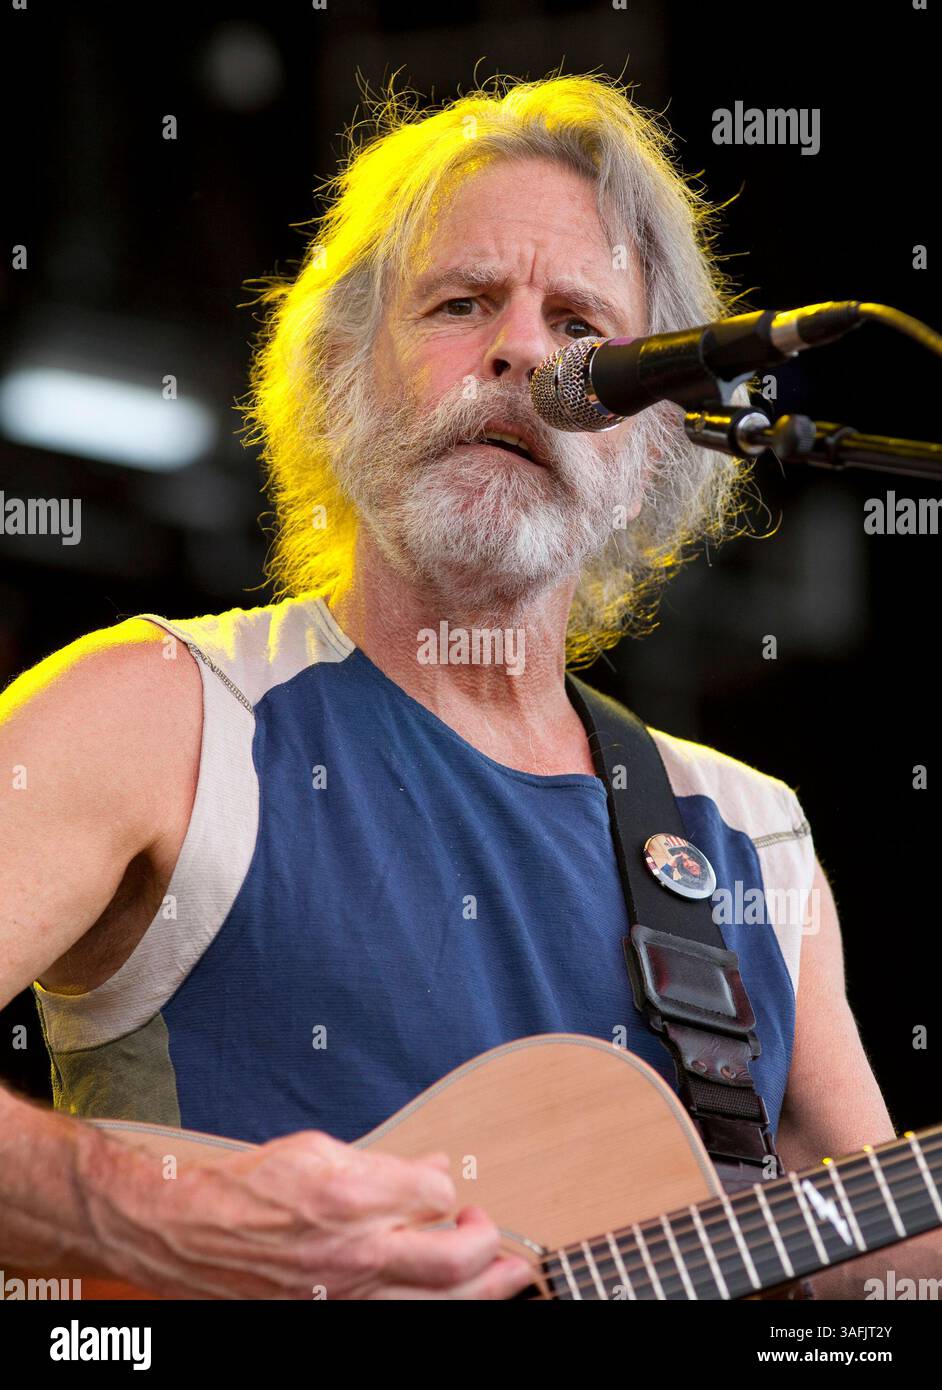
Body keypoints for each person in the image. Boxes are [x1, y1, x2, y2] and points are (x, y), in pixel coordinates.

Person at [1, 74, 936, 1300]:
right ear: (343, 371)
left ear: (653, 437)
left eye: (587, 329)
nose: (526, 352)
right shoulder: (160, 714)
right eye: (462, 301)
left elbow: (886, 1283)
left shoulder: (752, 839)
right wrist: (171, 1222)